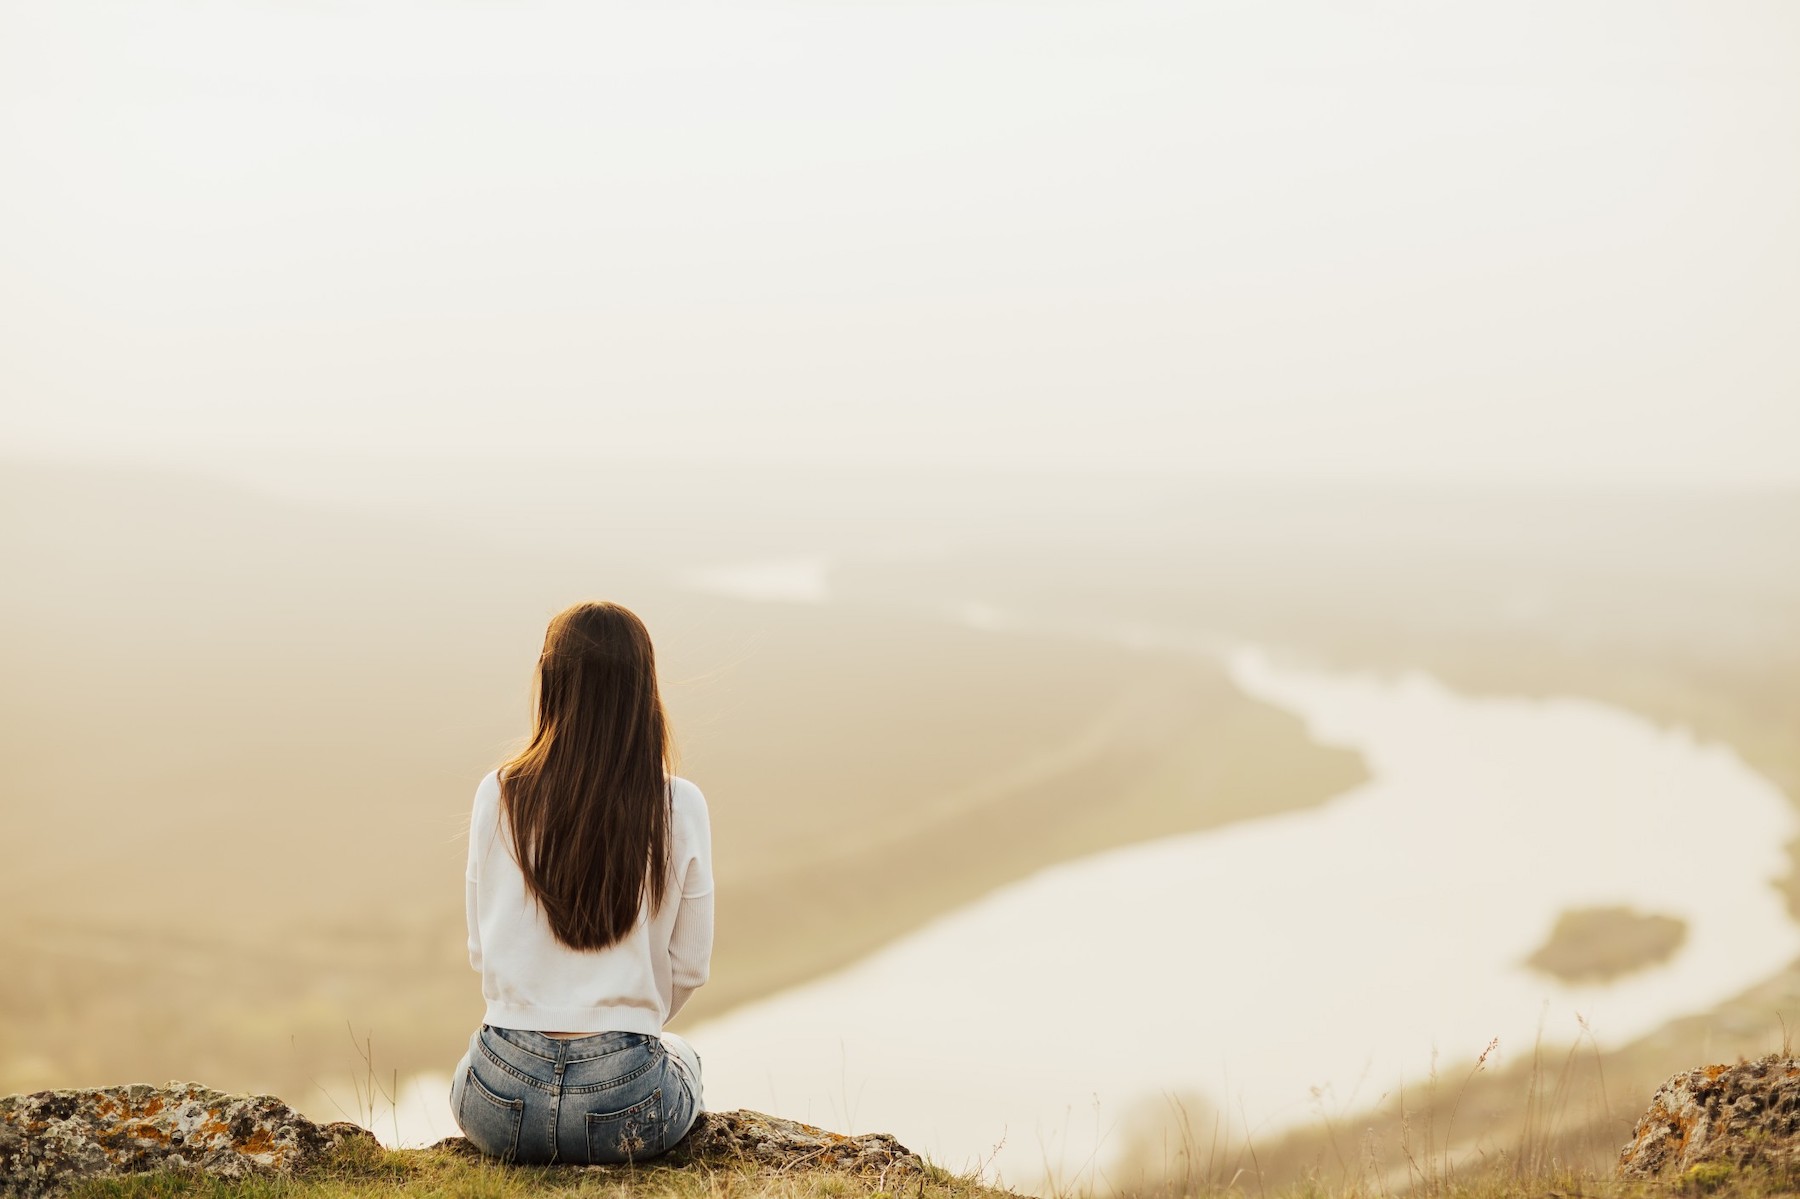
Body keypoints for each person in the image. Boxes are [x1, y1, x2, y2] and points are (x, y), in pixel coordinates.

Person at [450, 600, 714, 1164]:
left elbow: (481, 951)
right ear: (643, 688)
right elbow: (690, 968)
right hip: (627, 1099)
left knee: (468, 1071)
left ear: (550, 682)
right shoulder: (679, 804)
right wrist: (622, 1022)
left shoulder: (498, 793)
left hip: (499, 1097)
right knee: (686, 1056)